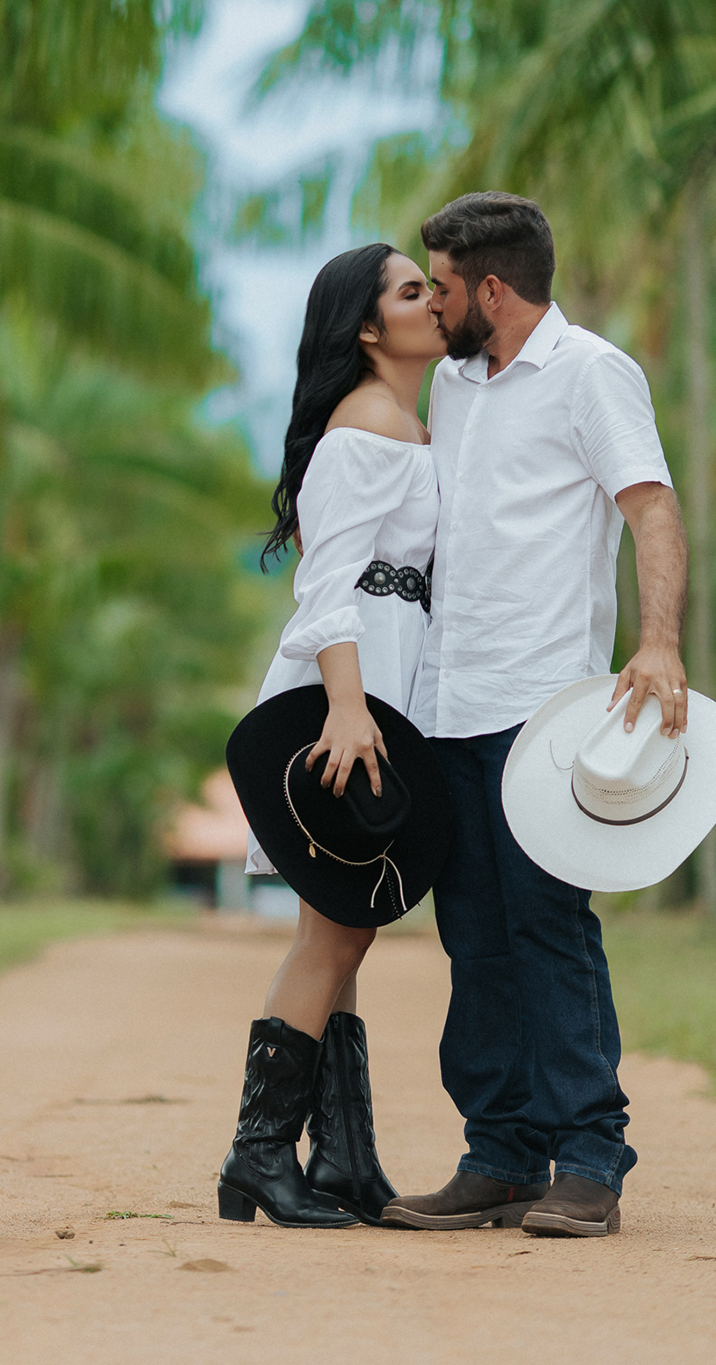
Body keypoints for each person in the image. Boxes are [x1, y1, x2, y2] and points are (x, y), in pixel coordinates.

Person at [382, 191, 689, 1239]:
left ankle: (590, 1160)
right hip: (449, 701)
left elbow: (650, 503)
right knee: (471, 935)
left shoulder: (593, 372)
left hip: (543, 704)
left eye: (446, 285)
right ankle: (501, 1156)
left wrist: (658, 643)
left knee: (547, 929)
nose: (433, 303)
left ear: (495, 289)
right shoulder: (459, 386)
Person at [218, 241, 446, 1228]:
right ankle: (257, 1159)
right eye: (410, 291)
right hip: (348, 692)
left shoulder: (414, 422)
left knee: (347, 923)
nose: (433, 301)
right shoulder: (361, 431)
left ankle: (344, 1156)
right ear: (367, 327)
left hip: (389, 682)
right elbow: (328, 585)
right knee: (338, 927)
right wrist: (349, 710)